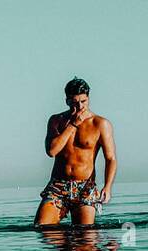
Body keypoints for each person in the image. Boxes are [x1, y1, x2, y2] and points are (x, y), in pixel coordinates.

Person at [34, 77, 116, 226]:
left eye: (83, 101)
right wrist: (73, 124)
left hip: (85, 187)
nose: (79, 106)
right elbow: (52, 151)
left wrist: (108, 186)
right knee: (42, 228)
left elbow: (110, 158)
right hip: (58, 186)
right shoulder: (56, 120)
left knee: (84, 238)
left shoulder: (100, 124)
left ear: (88, 98)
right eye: (74, 102)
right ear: (67, 101)